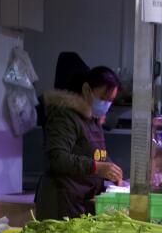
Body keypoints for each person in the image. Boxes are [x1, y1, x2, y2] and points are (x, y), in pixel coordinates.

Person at [35, 64, 124, 220]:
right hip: (61, 202)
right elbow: (56, 158)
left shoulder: (93, 119)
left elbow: (93, 153)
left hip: (80, 201)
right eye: (103, 98)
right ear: (86, 90)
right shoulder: (64, 117)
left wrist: (111, 170)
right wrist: (97, 167)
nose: (106, 105)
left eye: (110, 101)